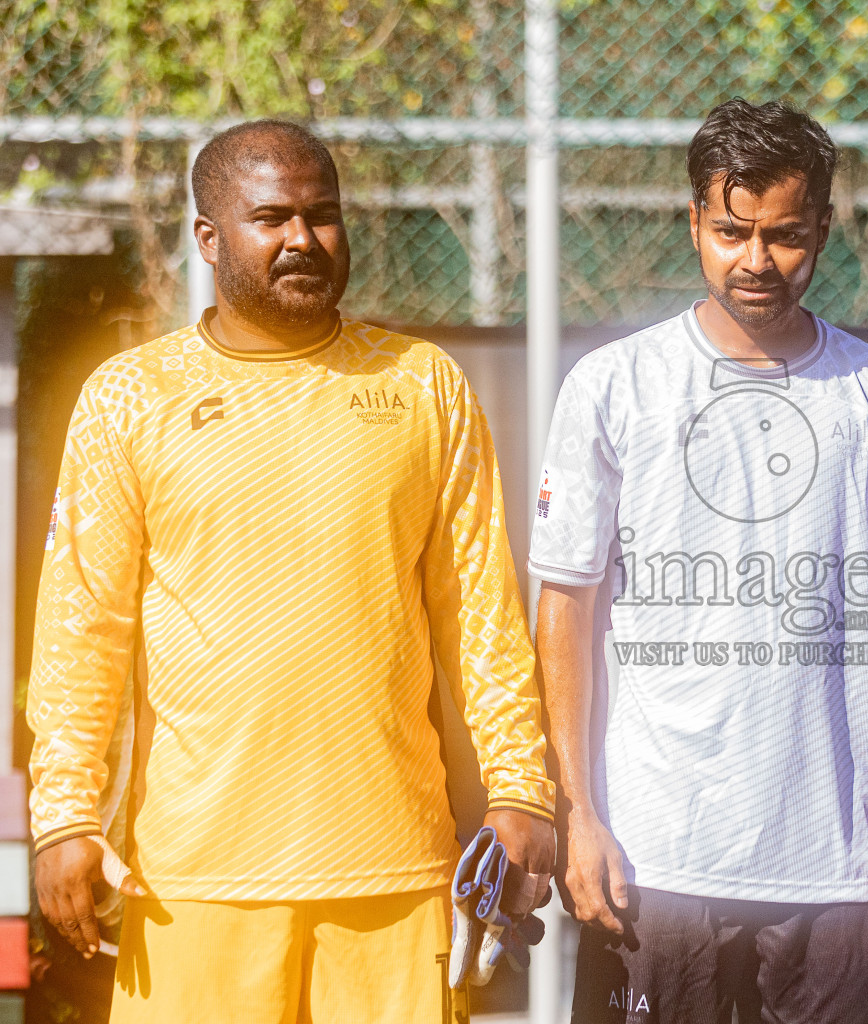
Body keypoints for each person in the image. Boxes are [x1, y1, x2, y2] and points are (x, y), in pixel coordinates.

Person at [27, 119, 555, 1024]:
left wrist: (519, 785)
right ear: (209, 237)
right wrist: (65, 815)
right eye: (271, 218)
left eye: (323, 216)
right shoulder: (128, 398)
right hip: (194, 874)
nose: (303, 240)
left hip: (392, 869)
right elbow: (84, 627)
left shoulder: (423, 384)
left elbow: (480, 614)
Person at [530, 98, 868, 1024]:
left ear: (825, 231)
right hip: (655, 857)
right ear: (695, 223)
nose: (756, 260)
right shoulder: (614, 385)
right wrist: (579, 815)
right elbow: (566, 607)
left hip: (841, 866)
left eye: (786, 235)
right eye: (731, 231)